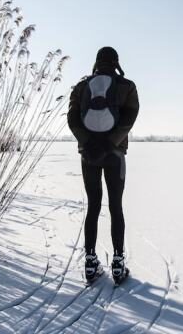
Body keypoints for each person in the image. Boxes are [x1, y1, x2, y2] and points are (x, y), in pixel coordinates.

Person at [67, 46, 139, 284]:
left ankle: (90, 263)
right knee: (115, 206)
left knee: (94, 207)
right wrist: (110, 143)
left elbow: (72, 118)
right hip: (115, 154)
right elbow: (130, 117)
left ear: (96, 62)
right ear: (116, 63)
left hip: (88, 156)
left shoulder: (81, 87)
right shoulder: (127, 86)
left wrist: (88, 144)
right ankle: (118, 264)